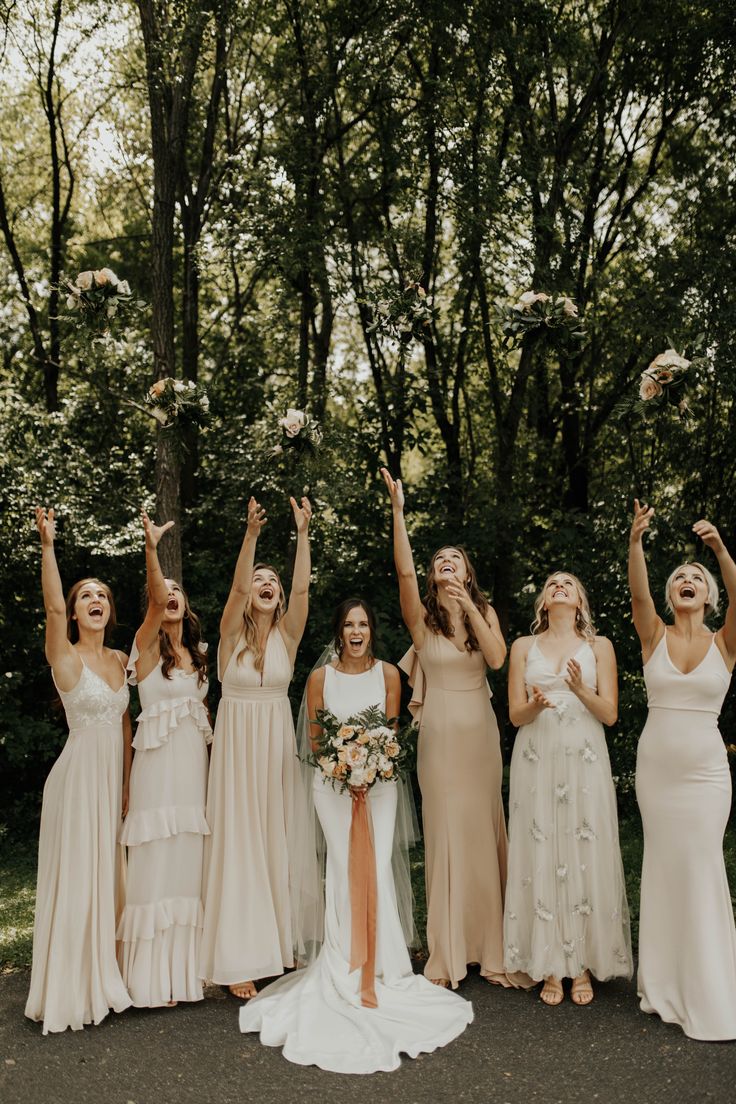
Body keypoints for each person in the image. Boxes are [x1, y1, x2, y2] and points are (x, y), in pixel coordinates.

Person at [239, 598, 473, 1073]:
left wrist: (370, 764)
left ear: (371, 631)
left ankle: (385, 966)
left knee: (378, 864)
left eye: (363, 623)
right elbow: (316, 739)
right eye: (348, 624)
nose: (356, 631)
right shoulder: (319, 679)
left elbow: (389, 730)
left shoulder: (388, 674)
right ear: (338, 631)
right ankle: (345, 962)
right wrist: (344, 766)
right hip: (331, 785)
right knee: (345, 869)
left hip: (380, 785)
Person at [381, 468, 528, 990]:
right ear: (432, 572)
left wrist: (469, 605)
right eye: (438, 560)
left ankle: (491, 946)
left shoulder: (482, 611)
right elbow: (402, 576)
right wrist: (399, 512)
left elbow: (496, 658)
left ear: (467, 573)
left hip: (480, 740)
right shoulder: (422, 622)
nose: (445, 563)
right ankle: (448, 952)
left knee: (482, 831)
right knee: (445, 833)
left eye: (455, 560)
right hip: (440, 737)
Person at [199, 495, 319, 999]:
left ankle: (278, 944)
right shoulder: (229, 636)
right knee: (240, 840)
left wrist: (303, 533)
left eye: (273, 583)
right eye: (260, 583)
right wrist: (250, 536)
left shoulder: (288, 637)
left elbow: (301, 586)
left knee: (276, 837)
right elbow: (236, 586)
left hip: (274, 745)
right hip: (236, 747)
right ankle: (238, 955)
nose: (267, 587)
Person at [629, 500, 736, 1040]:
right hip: (657, 775)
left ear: (709, 594)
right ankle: (665, 983)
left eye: (696, 578)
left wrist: (717, 550)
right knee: (665, 868)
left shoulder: (725, 644)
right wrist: (635, 544)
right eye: (681, 578)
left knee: (700, 865)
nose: (687, 581)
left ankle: (711, 987)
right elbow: (639, 594)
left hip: (706, 778)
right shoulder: (654, 638)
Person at [25, 507, 132, 1033]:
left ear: (111, 611)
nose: (95, 601)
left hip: (111, 782)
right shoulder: (65, 656)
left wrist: (129, 785)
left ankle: (104, 976)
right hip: (77, 780)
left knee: (108, 877)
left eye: (103, 596)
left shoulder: (120, 659)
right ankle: (71, 986)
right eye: (85, 596)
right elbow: (48, 606)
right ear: (73, 612)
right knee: (78, 877)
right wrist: (48, 547)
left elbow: (128, 728)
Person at [503, 571, 632, 1006]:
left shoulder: (600, 647)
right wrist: (535, 705)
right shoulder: (523, 646)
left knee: (582, 848)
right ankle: (550, 965)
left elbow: (610, 714)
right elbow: (515, 716)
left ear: (579, 600)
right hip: (537, 754)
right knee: (542, 849)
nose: (560, 586)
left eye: (569, 583)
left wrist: (579, 689)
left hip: (583, 755)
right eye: (553, 583)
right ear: (544, 601)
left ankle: (580, 966)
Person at [117, 512, 212, 1007]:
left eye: (179, 591)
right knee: (156, 861)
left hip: (193, 773)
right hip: (156, 774)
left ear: (189, 604)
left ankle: (186, 973)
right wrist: (152, 551)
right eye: (164, 590)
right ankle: (150, 977)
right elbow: (156, 598)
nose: (171, 595)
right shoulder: (145, 651)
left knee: (187, 863)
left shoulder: (199, 655)